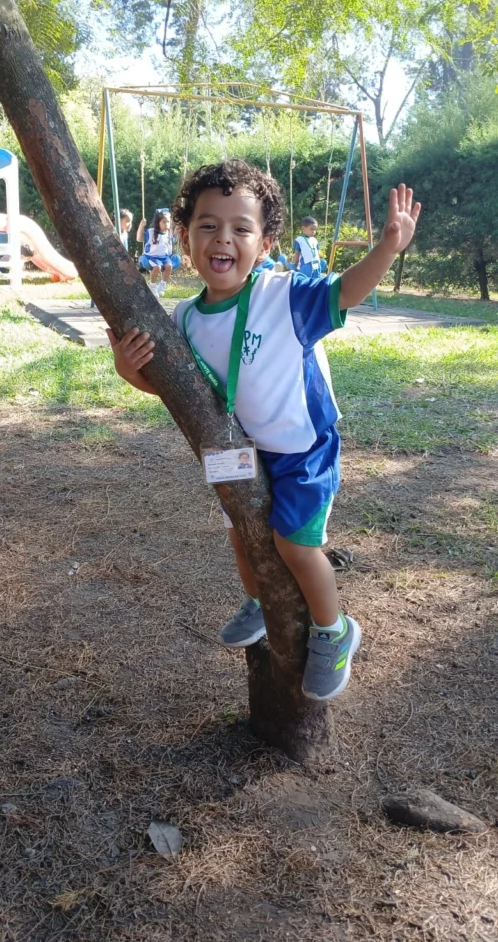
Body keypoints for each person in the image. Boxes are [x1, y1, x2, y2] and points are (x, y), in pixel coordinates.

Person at [107, 160, 420, 702]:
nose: (222, 238)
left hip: (303, 450)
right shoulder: (184, 317)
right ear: (184, 236)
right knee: (240, 533)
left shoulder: (284, 295)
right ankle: (259, 600)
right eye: (207, 225)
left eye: (241, 228)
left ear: (266, 240)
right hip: (247, 451)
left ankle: (334, 629)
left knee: (294, 547)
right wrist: (129, 370)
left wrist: (386, 249)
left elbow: (345, 291)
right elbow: (181, 391)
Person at [136, 208, 181, 298]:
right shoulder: (151, 232)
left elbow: (174, 240)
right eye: (164, 222)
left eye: (168, 222)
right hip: (152, 257)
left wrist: (177, 230)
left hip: (165, 257)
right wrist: (141, 226)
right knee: (157, 267)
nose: (166, 224)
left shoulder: (169, 233)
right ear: (158, 223)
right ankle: (152, 285)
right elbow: (139, 239)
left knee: (169, 266)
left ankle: (162, 285)